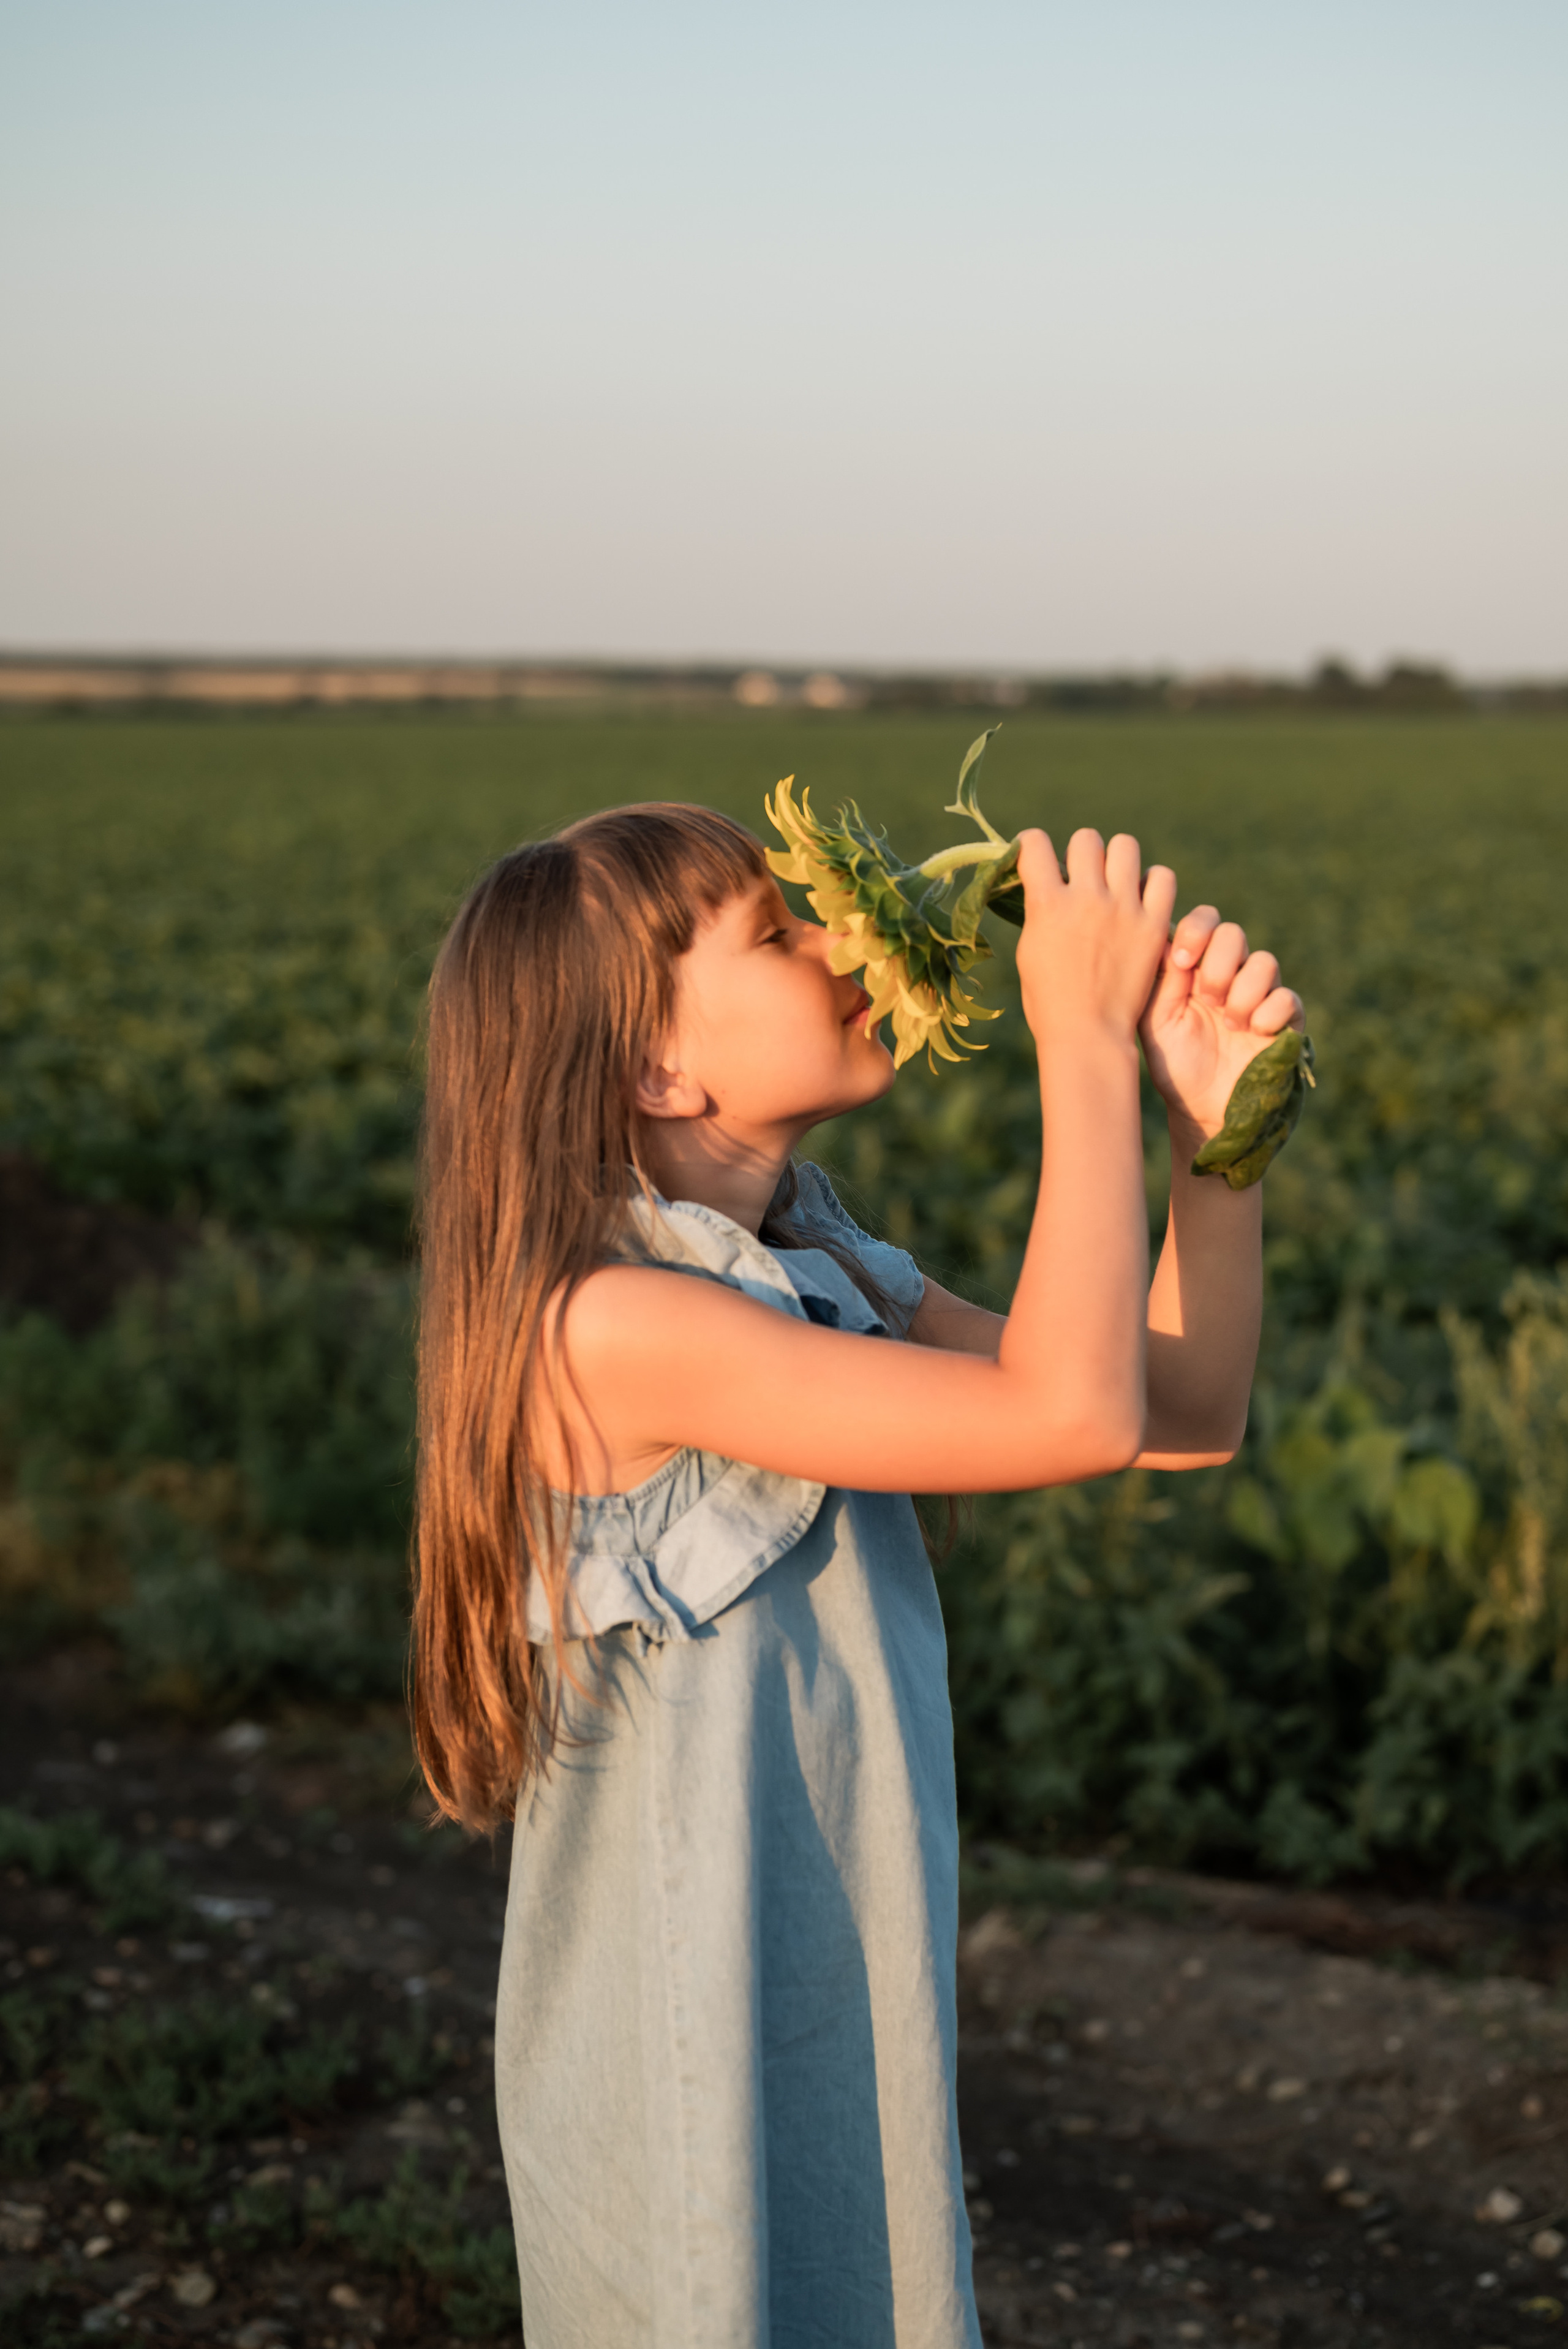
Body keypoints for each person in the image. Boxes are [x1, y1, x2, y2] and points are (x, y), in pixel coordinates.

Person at [410, 800, 1304, 2349]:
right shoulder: (610, 1327)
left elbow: (1177, 1415)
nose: (846, 944)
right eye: (779, 930)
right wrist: (1077, 1041)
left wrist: (1206, 1137)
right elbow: (1069, 1414)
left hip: (827, 1989)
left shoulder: (821, 1273)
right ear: (653, 1068)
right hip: (687, 2036)